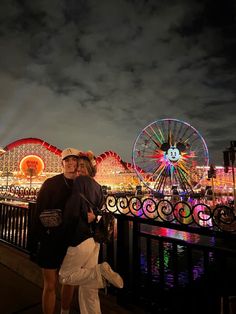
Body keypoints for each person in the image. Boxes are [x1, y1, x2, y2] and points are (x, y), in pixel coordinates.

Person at [59, 151, 124, 314]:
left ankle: (100, 273)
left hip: (79, 238)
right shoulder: (97, 186)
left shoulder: (80, 181)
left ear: (88, 168)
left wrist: (64, 229)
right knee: (90, 289)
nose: (77, 169)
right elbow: (95, 211)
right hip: (94, 240)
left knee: (65, 276)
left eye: (81, 166)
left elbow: (73, 209)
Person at [32, 147, 80, 314]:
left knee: (70, 281)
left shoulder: (83, 185)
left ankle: (64, 312)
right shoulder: (50, 183)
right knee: (50, 284)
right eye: (67, 160)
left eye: (74, 160)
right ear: (62, 163)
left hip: (73, 242)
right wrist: (39, 238)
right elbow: (38, 212)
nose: (70, 163)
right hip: (51, 240)